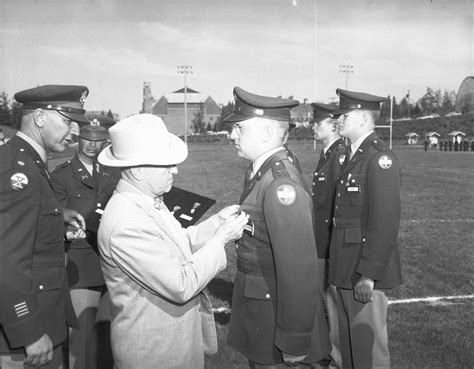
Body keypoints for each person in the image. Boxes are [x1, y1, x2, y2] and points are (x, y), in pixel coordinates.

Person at [96, 114, 248, 369]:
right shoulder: (126, 223)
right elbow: (180, 284)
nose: (175, 170)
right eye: (166, 165)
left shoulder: (147, 199)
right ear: (137, 170)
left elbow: (181, 244)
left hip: (174, 345)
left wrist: (216, 224)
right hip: (154, 354)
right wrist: (221, 239)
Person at [224, 87, 331, 368]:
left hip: (274, 318)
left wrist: (294, 338)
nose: (231, 135)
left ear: (266, 134)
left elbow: (298, 269)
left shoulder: (280, 185)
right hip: (263, 311)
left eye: (239, 128)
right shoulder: (262, 172)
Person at [0, 85, 90, 368]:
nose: (74, 131)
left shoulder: (31, 163)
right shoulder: (20, 171)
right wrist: (28, 331)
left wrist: (57, 223)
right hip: (27, 336)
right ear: (39, 117)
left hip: (42, 319)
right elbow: (7, 260)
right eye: (66, 121)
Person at [329, 88, 402, 368]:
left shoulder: (379, 158)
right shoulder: (352, 155)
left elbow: (385, 221)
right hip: (346, 266)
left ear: (361, 118)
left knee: (368, 353)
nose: (339, 120)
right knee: (349, 351)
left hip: (363, 272)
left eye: (344, 115)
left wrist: (369, 275)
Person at [50, 118, 120, 369]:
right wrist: (68, 229)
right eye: (87, 138)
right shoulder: (62, 175)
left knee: (109, 336)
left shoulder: (113, 172)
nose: (92, 144)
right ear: (79, 139)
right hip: (81, 264)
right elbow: (53, 215)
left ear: (105, 141)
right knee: (82, 338)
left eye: (98, 139)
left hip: (112, 262)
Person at [311, 102, 347, 368]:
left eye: (318, 123)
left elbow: (338, 205)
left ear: (333, 126)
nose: (313, 126)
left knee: (332, 302)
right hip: (321, 240)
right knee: (324, 299)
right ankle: (329, 350)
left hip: (330, 242)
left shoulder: (338, 156)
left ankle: (337, 357)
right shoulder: (327, 154)